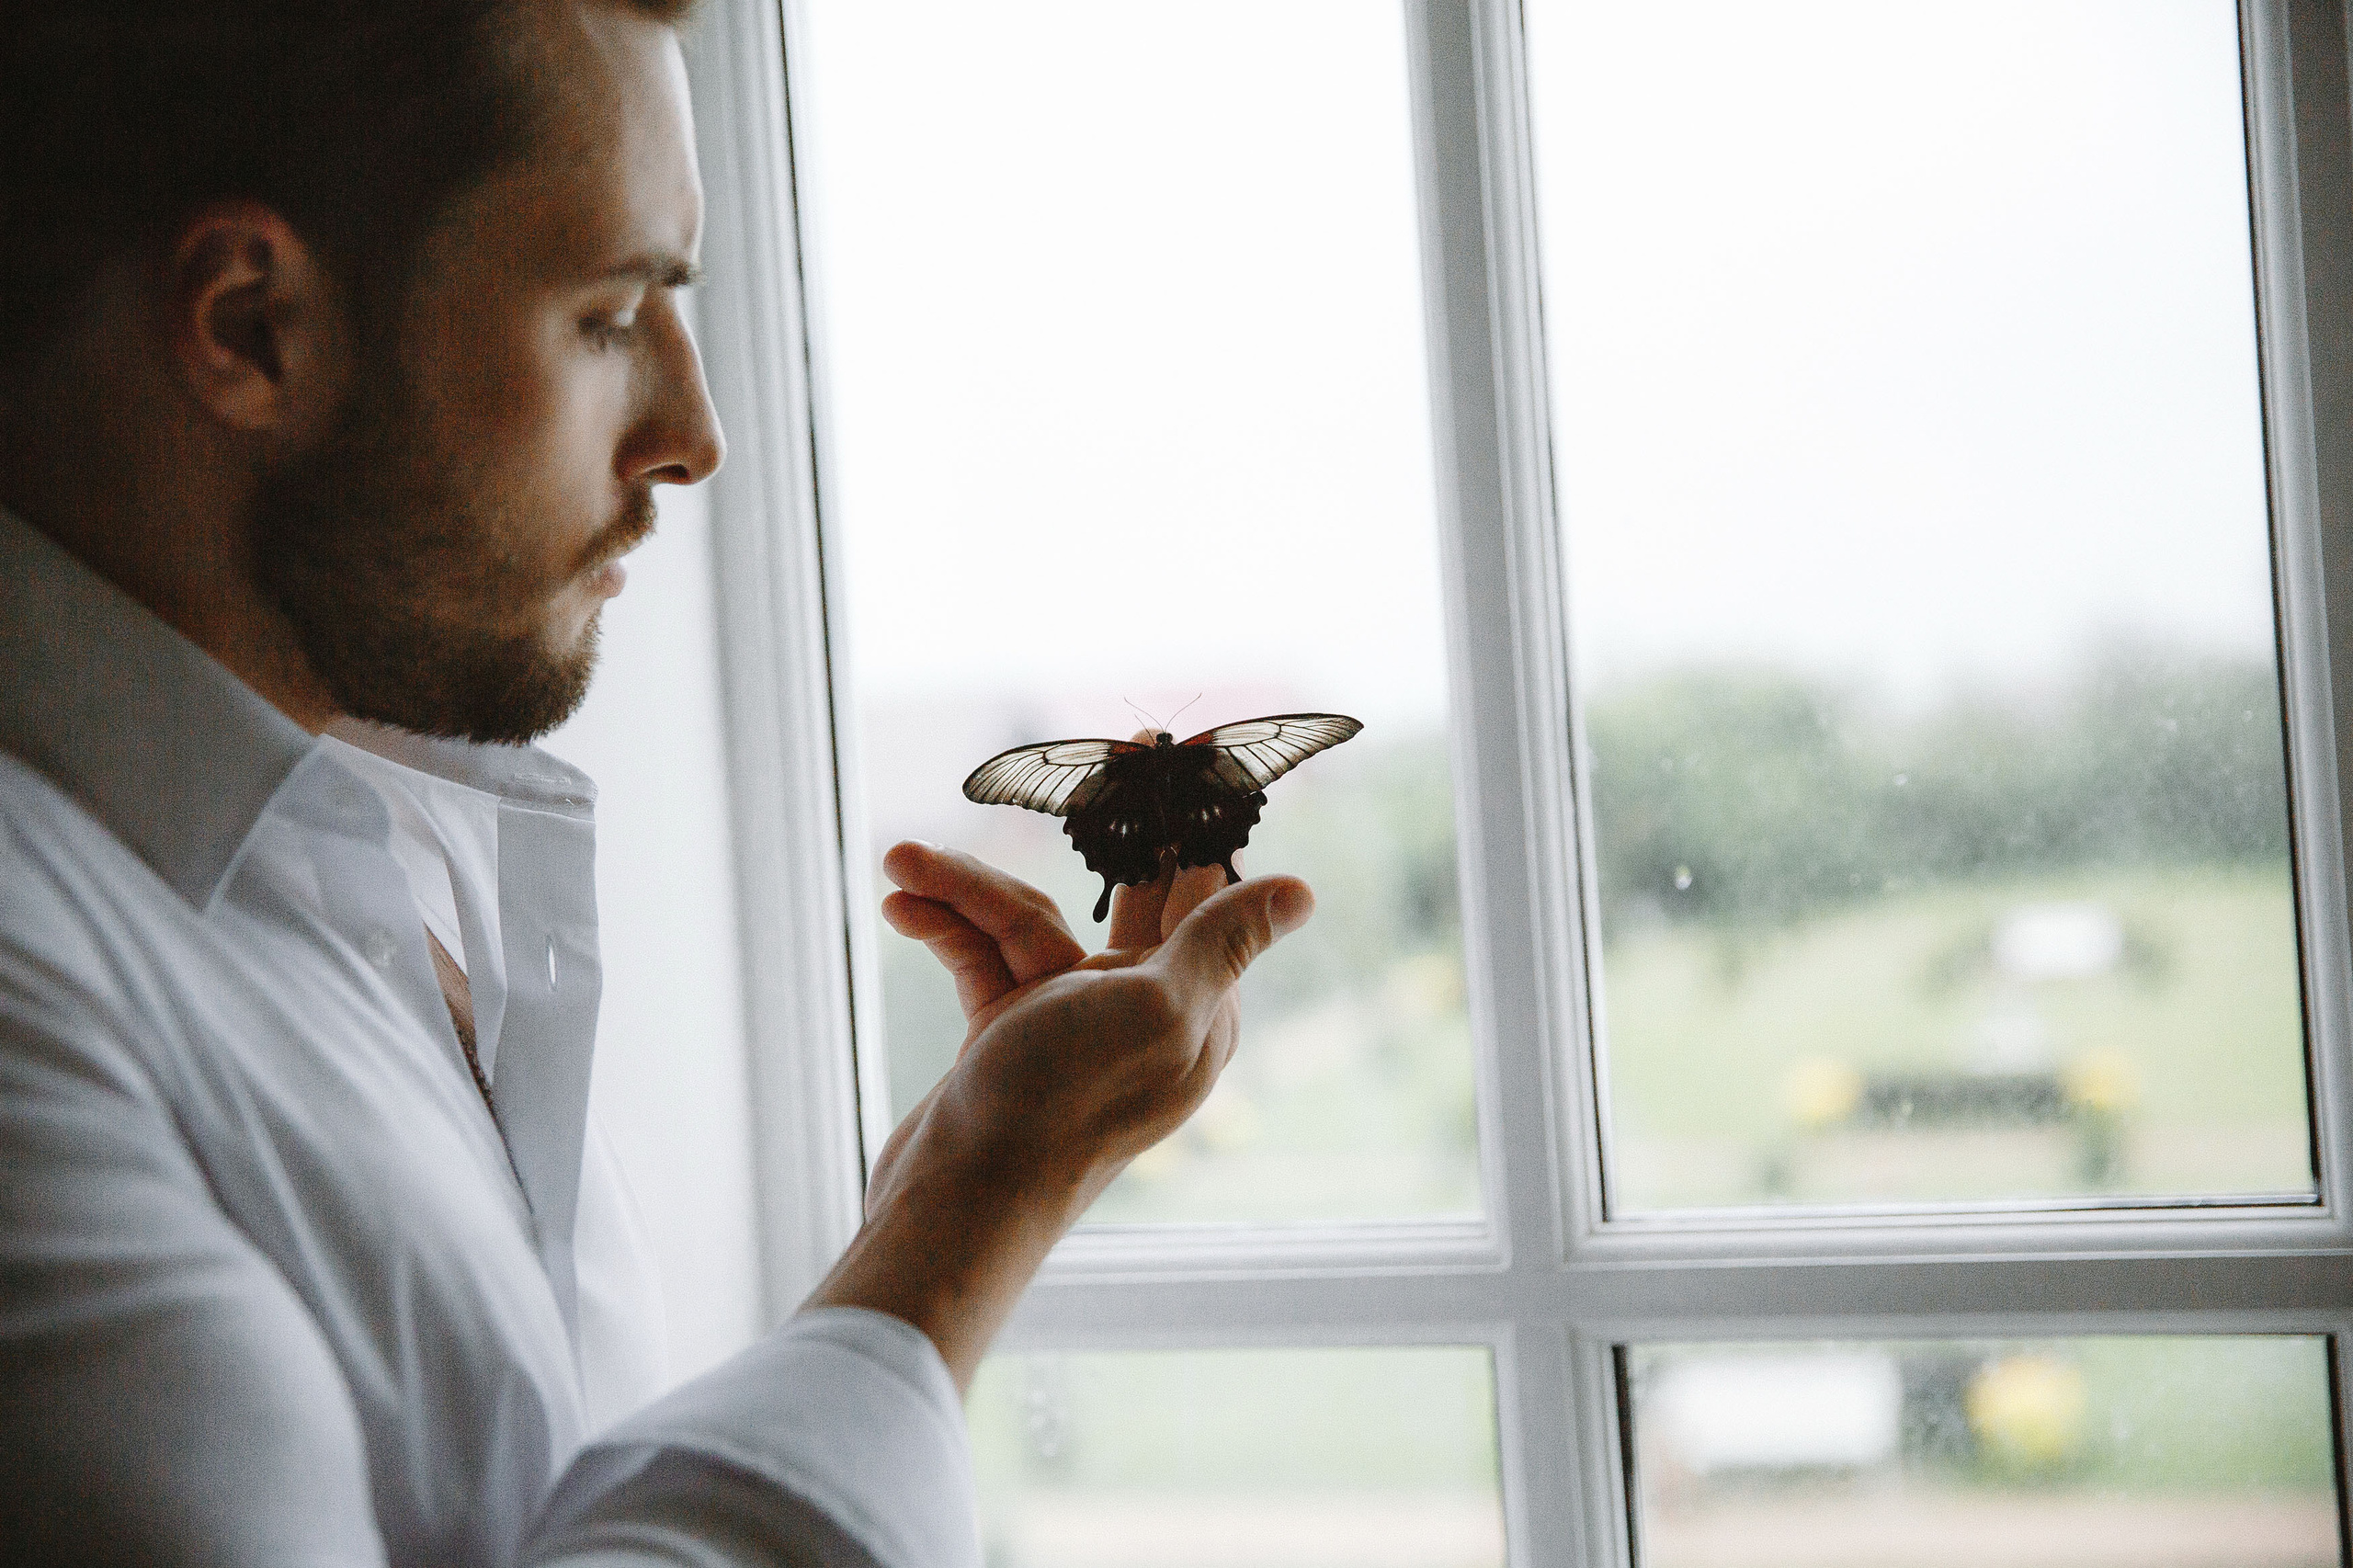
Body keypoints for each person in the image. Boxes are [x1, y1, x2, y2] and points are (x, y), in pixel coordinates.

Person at [0, 3, 1312, 1563]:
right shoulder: (40, 977)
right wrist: (973, 1214)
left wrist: (929, 1210)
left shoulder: (390, 844)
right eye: (612, 314)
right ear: (249, 328)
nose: (696, 438)